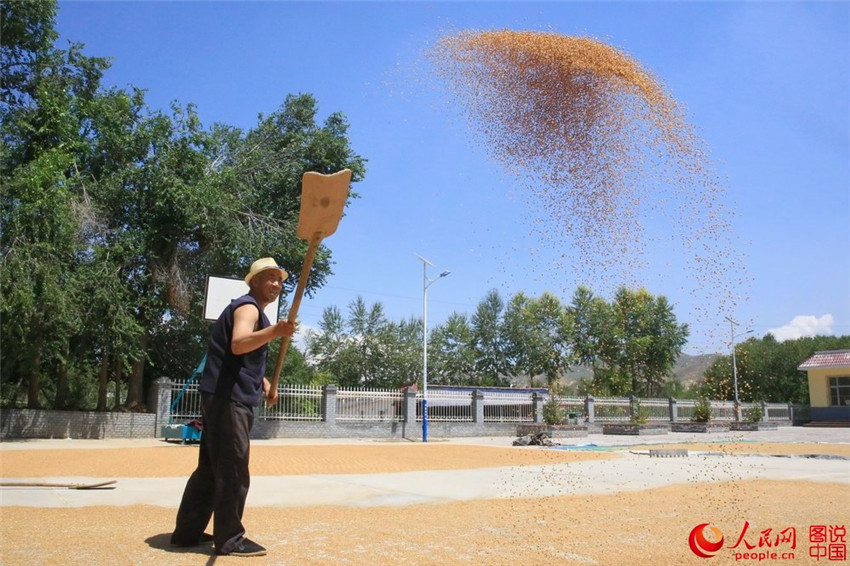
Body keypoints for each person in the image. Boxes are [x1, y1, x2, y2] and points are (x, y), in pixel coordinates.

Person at [171, 257, 296, 557]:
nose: (276, 284)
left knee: (210, 470)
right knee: (233, 468)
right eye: (269, 277)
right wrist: (276, 332)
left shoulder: (251, 311)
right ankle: (230, 538)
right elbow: (240, 343)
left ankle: (186, 533)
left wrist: (264, 382)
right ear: (254, 281)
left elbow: (239, 356)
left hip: (221, 396)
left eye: (279, 279)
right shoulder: (248, 307)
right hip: (230, 400)